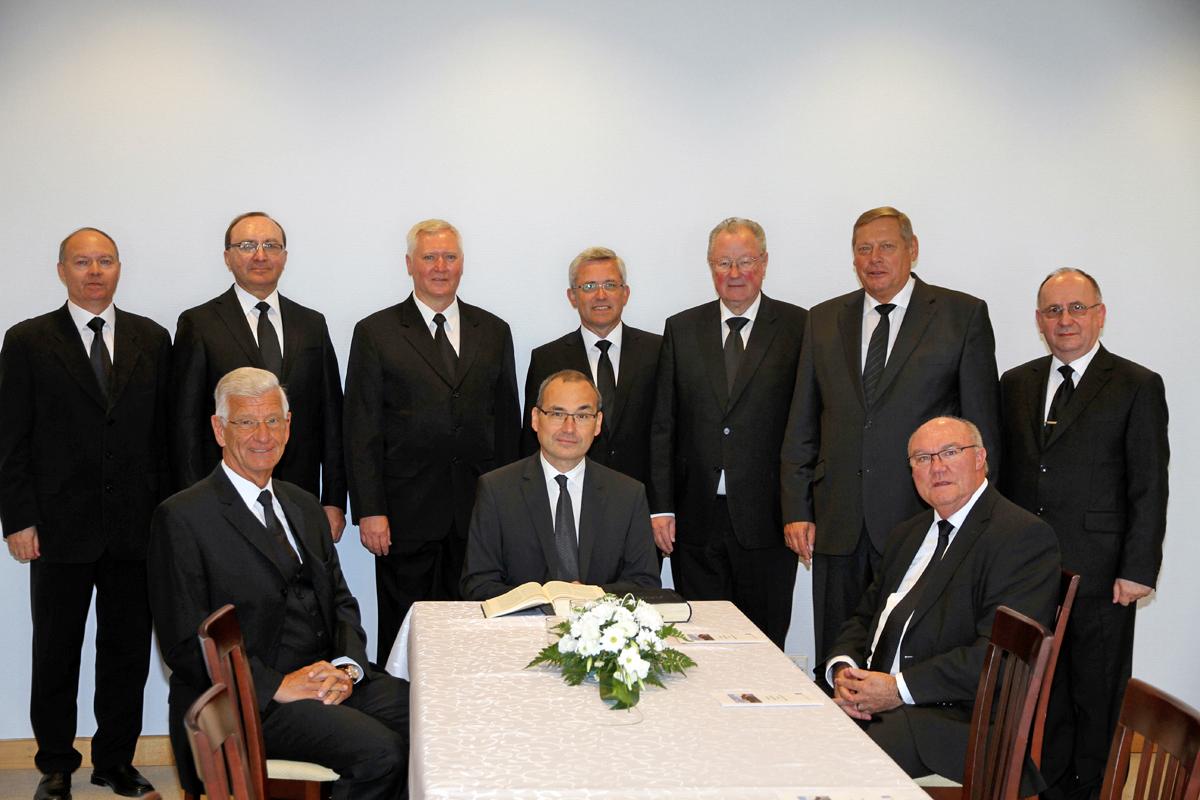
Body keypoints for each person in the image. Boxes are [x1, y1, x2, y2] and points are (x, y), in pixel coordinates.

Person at [148, 368, 408, 800]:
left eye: (272, 420)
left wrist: (348, 668)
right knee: (382, 754)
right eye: (247, 422)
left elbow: (341, 600)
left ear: (288, 426)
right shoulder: (182, 518)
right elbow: (185, 645)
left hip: (327, 674)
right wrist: (278, 686)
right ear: (219, 429)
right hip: (250, 701)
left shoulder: (303, 505)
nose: (263, 435)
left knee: (433, 721)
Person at [781, 206, 1002, 668]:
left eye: (886, 246)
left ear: (912, 249)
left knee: (909, 654)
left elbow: (982, 429)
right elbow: (803, 421)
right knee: (836, 654)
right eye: (863, 249)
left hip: (922, 519)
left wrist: (976, 522)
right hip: (838, 520)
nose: (874, 258)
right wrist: (797, 508)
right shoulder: (823, 319)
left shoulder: (961, 316)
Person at [0, 228, 170, 800]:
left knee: (126, 653)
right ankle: (54, 764)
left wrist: (169, 521)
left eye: (105, 261)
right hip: (55, 529)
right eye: (82, 262)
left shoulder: (153, 338)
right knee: (55, 652)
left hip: (136, 528)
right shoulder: (27, 340)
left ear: (119, 268)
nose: (94, 271)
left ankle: (115, 762)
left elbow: (165, 439)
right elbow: (11, 438)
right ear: (61, 271)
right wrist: (17, 519)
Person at [999, 268, 1169, 800]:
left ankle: (1089, 793)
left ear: (1100, 315)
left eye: (1077, 308)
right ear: (1038, 320)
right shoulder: (1015, 383)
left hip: (1103, 573)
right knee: (1041, 695)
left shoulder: (1137, 384)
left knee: (1095, 696)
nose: (1065, 320)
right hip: (1029, 571)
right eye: (1053, 310)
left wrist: (1138, 570)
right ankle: (1048, 790)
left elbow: (1149, 484)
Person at [826, 416, 1059, 784]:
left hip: (957, 723)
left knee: (839, 762)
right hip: (879, 703)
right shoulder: (908, 533)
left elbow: (999, 657)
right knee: (786, 732)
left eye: (950, 452)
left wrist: (897, 689)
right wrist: (845, 670)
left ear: (980, 458)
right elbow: (865, 617)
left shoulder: (1021, 536)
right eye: (922, 458)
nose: (937, 467)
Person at [344, 219, 521, 659]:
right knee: (407, 634)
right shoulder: (375, 332)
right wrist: (370, 509)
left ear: (462, 263)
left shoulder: (494, 331)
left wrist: (509, 510)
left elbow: (506, 426)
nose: (440, 267)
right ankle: (402, 706)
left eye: (450, 257)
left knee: (475, 635)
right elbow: (361, 428)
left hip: (478, 513)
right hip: (405, 516)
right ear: (409, 264)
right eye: (429, 257)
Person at [649, 217, 807, 647]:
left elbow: (807, 424)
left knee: (764, 642)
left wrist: (803, 508)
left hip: (769, 520)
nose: (735, 273)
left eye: (745, 261)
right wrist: (661, 507)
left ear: (764, 262)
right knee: (702, 644)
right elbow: (664, 425)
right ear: (710, 266)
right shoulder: (682, 328)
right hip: (695, 519)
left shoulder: (799, 327)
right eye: (723, 263)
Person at [171, 211, 347, 540]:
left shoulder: (311, 324)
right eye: (247, 245)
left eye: (271, 245)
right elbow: (185, 425)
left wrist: (334, 501)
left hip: (300, 498)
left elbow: (331, 419)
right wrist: (194, 505)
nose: (260, 255)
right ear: (227, 257)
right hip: (224, 499)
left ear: (284, 257)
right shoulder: (199, 324)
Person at [463, 369, 661, 600]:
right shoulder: (496, 490)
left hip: (600, 621)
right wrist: (546, 598)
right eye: (557, 414)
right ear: (535, 419)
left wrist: (589, 596)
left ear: (598, 423)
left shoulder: (628, 494)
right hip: (524, 621)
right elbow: (478, 584)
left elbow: (645, 584)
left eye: (582, 416)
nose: (569, 428)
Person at [520, 247, 661, 486]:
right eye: (589, 286)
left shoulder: (658, 352)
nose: (601, 295)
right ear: (572, 296)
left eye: (610, 285)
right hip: (571, 494)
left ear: (625, 293)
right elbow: (532, 441)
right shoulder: (547, 358)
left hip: (643, 494)